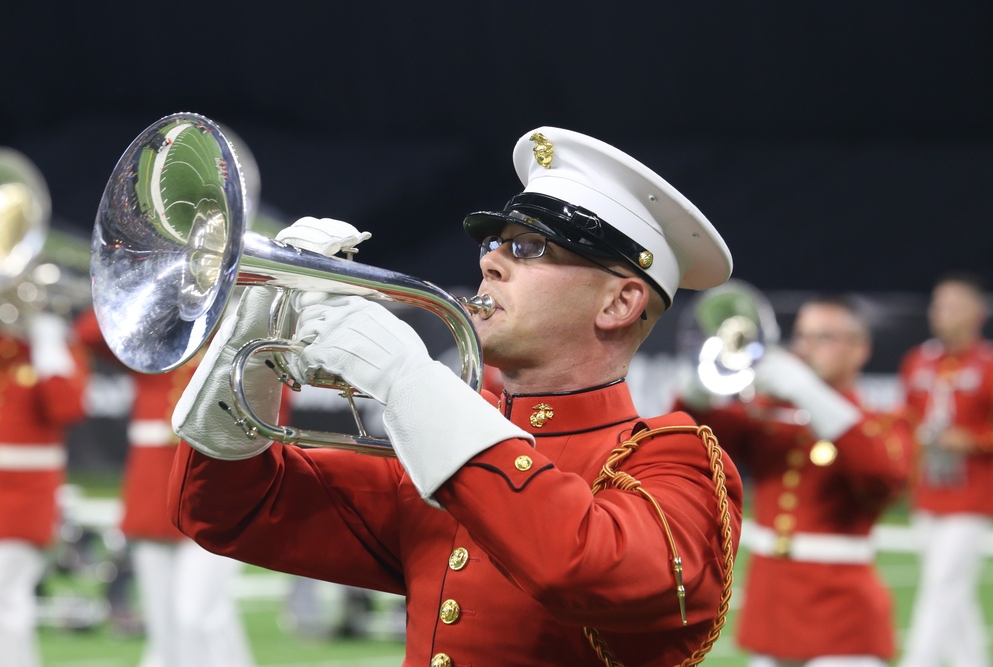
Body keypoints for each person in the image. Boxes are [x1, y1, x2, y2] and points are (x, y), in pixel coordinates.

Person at [167, 126, 744, 666]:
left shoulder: (677, 460)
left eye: (532, 249)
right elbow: (228, 510)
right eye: (498, 243)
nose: (488, 260)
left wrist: (407, 380)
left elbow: (581, 567)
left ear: (619, 304)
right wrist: (257, 333)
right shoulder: (445, 449)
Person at [675, 293, 913, 666]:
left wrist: (807, 390)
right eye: (802, 336)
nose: (805, 348)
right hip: (772, 611)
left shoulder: (882, 422)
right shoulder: (773, 414)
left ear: (859, 349)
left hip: (842, 621)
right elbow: (694, 439)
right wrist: (695, 389)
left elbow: (881, 476)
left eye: (824, 337)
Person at [75, 309, 255, 667]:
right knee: (166, 627)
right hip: (153, 493)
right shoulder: (157, 335)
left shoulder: (242, 330)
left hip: (216, 493)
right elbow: (93, 333)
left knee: (198, 616)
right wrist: (164, 296)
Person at [897, 272, 993, 667]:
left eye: (952, 305)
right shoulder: (918, 360)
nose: (941, 313)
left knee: (941, 586)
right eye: (938, 304)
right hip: (927, 492)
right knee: (954, 592)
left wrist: (970, 440)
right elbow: (905, 423)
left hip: (972, 495)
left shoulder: (988, 364)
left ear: (977, 313)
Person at [0, 310, 88, 667]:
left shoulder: (56, 350)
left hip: (23, 498)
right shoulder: (3, 348)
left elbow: (66, 406)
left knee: (3, 598)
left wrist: (47, 341)